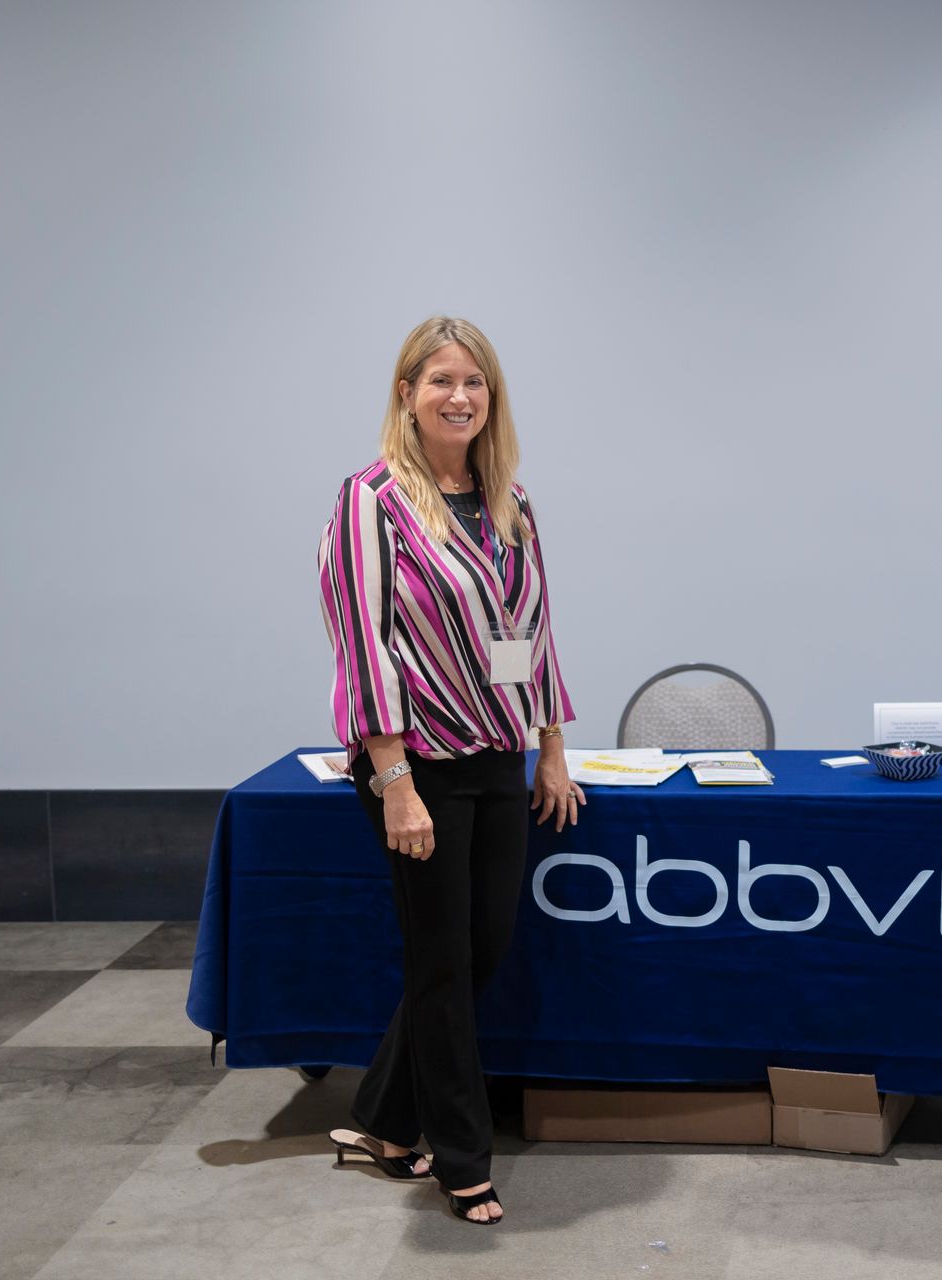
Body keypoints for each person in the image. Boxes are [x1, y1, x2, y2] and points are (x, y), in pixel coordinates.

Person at [317, 316, 581, 1225]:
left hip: (498, 754)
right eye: (440, 381)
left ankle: (387, 1118)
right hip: (417, 762)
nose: (459, 396)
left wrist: (550, 745)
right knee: (438, 963)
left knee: (481, 951)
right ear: (407, 394)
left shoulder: (510, 500)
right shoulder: (373, 499)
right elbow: (363, 642)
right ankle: (460, 1156)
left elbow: (531, 630)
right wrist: (393, 781)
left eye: (474, 381)